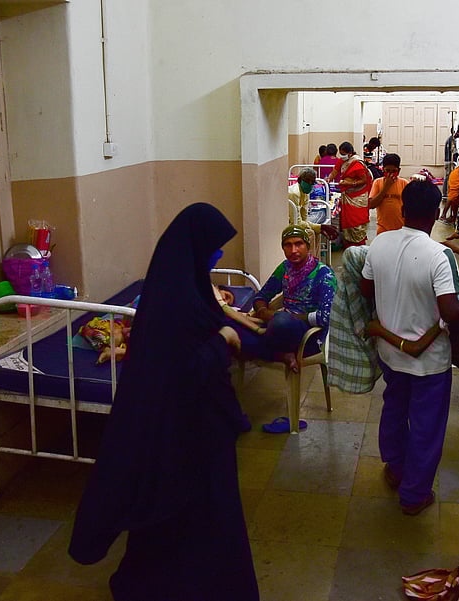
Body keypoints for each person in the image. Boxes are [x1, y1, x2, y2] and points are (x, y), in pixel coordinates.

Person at [69, 203, 259, 601]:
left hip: (198, 428)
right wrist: (222, 341)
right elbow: (183, 371)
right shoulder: (175, 303)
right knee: (191, 517)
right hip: (184, 433)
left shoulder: (183, 287)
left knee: (196, 521)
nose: (218, 256)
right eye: (214, 249)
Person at [361, 179, 459, 516]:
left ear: (403, 210)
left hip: (390, 351)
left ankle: (395, 468)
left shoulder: (379, 243)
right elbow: (451, 312)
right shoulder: (439, 255)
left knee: (394, 407)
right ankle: (414, 494)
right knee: (426, 425)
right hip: (428, 363)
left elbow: (366, 288)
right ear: (436, 213)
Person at [237, 225, 336, 373]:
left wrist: (283, 316)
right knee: (233, 328)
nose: (293, 250)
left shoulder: (323, 274)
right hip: (279, 330)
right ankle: (282, 354)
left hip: (308, 337)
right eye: (288, 245)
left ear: (308, 246)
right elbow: (261, 296)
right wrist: (263, 310)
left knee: (279, 323)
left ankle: (269, 350)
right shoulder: (285, 268)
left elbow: (325, 317)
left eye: (298, 244)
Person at [328, 141, 372, 247]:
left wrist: (351, 183)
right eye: (340, 153)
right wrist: (328, 179)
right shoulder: (341, 161)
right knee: (347, 219)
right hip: (347, 195)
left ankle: (358, 243)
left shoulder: (357, 163)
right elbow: (335, 171)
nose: (341, 156)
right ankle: (348, 242)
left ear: (350, 153)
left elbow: (364, 180)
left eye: (343, 153)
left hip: (358, 197)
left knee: (357, 220)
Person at [287, 167, 339, 242]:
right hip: (287, 223)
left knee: (315, 232)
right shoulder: (294, 193)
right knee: (310, 233)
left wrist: (319, 228)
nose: (310, 184)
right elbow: (296, 222)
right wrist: (320, 227)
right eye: (307, 181)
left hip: (295, 222)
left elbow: (304, 218)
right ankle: (308, 254)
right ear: (299, 180)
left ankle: (314, 254)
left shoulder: (306, 193)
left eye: (312, 182)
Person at [368, 153, 408, 235]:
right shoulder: (378, 183)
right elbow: (371, 205)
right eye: (387, 171)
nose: (390, 174)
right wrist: (385, 188)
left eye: (394, 171)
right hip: (383, 228)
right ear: (383, 170)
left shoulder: (404, 183)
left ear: (399, 170)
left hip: (401, 228)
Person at [442, 125, 459, 198]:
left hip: (449, 161)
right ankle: (445, 193)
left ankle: (446, 193)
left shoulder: (452, 140)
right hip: (449, 162)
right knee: (448, 177)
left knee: (448, 177)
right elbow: (454, 153)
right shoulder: (451, 140)